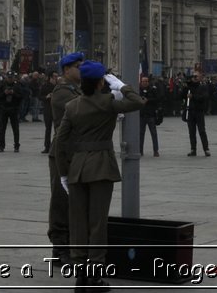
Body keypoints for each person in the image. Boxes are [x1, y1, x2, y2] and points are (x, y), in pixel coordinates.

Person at [53, 61, 145, 286]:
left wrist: (63, 173)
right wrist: (122, 86)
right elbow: (138, 102)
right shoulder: (108, 102)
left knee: (77, 222)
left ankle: (80, 272)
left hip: (76, 170)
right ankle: (94, 273)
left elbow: (60, 143)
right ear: (101, 82)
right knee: (97, 223)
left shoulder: (72, 106)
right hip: (101, 167)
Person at [45, 52, 84, 266]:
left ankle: (72, 244)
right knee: (61, 201)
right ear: (67, 69)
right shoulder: (61, 92)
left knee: (75, 202)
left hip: (78, 152)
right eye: (78, 66)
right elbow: (82, 110)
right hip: (62, 154)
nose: (81, 69)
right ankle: (59, 249)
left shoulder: (77, 90)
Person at [184, 72, 212, 157]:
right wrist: (185, 88)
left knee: (202, 131)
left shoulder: (203, 87)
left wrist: (193, 97)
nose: (195, 78)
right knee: (191, 132)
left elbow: (204, 97)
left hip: (199, 111)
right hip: (190, 111)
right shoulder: (189, 87)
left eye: (196, 76)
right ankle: (193, 149)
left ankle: (206, 149)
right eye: (194, 76)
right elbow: (181, 95)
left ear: (200, 78)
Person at [0, 73, 23, 152]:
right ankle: (1, 146)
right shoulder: (2, 85)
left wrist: (13, 93)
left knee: (15, 129)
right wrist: (4, 93)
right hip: (4, 108)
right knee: (2, 129)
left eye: (11, 78)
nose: (10, 79)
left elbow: (21, 96)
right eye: (8, 77)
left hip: (13, 109)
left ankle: (16, 145)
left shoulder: (17, 86)